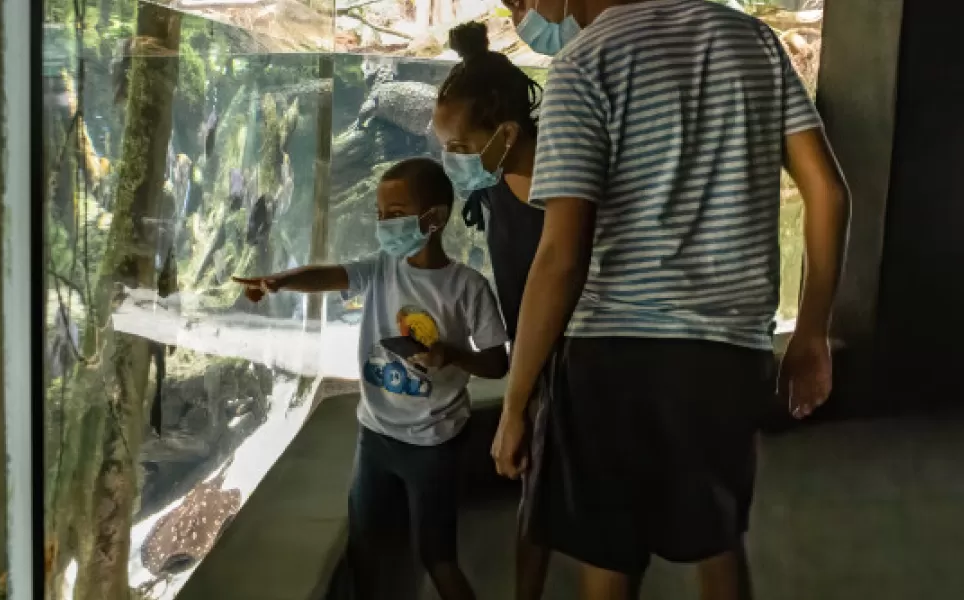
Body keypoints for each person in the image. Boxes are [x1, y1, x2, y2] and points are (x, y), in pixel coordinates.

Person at [489, 1, 851, 600]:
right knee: (719, 544)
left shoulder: (584, 62)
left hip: (612, 354)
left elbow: (562, 256)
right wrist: (811, 332)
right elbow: (828, 193)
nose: (531, 10)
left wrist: (516, 402)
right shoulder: (754, 42)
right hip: (727, 352)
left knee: (608, 559)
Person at [234, 157, 509, 600]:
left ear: (434, 219)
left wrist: (451, 355)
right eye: (380, 214)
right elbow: (331, 275)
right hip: (375, 435)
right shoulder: (383, 268)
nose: (384, 224)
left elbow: (497, 363)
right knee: (364, 547)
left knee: (437, 557)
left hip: (434, 441)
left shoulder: (467, 286)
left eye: (395, 213)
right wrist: (278, 281)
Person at [430, 20, 560, 600]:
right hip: (536, 362)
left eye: (459, 147)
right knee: (535, 493)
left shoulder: (562, 189)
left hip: (578, 360)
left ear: (506, 132)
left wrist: (517, 400)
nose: (451, 159)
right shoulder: (496, 177)